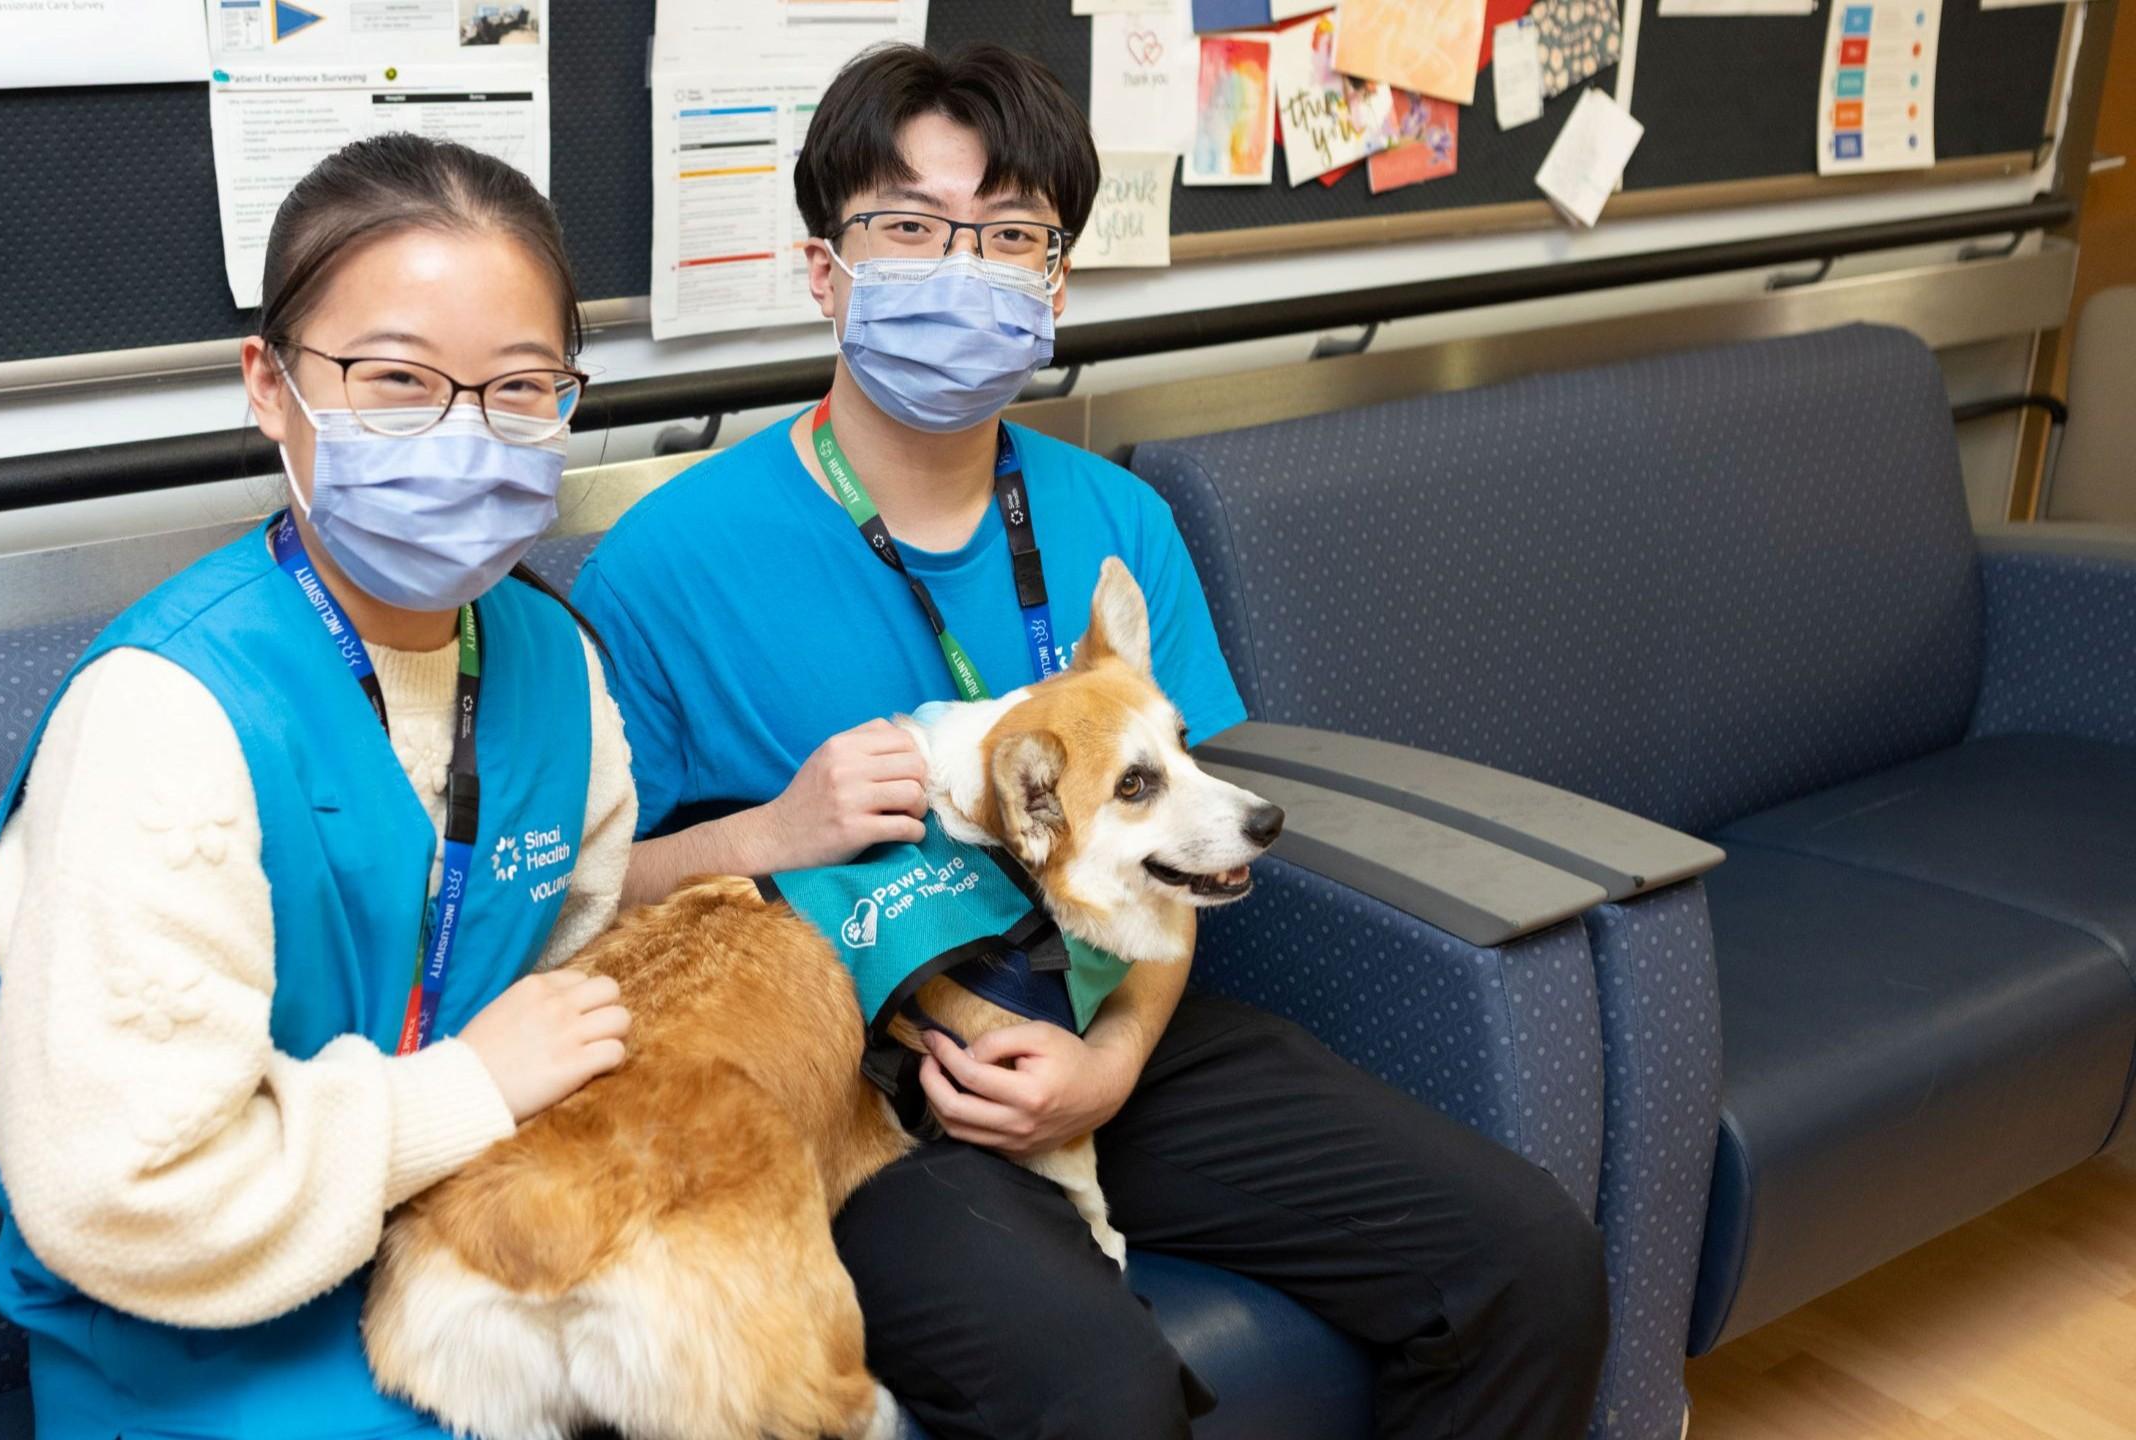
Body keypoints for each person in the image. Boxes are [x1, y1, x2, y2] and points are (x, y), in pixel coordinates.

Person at [573, 43, 1611, 1440]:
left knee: (1526, 1262)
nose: (962, 268)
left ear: (1053, 283)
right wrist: (770, 834)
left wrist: (1112, 1060)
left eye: (1010, 236)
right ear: (826, 269)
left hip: (1106, 1014)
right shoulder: (665, 564)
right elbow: (577, 912)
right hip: (860, 1083)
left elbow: (1184, 855)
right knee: (1099, 1392)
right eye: (910, 226)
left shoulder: (1114, 522)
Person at [0, 134, 635, 1439]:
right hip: (202, 1331)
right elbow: (125, 1197)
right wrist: (463, 1095)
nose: (465, 436)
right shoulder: (166, 713)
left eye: (520, 388)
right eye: (396, 381)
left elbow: (577, 973)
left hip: (475, 1246)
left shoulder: (557, 663)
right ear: (269, 386)